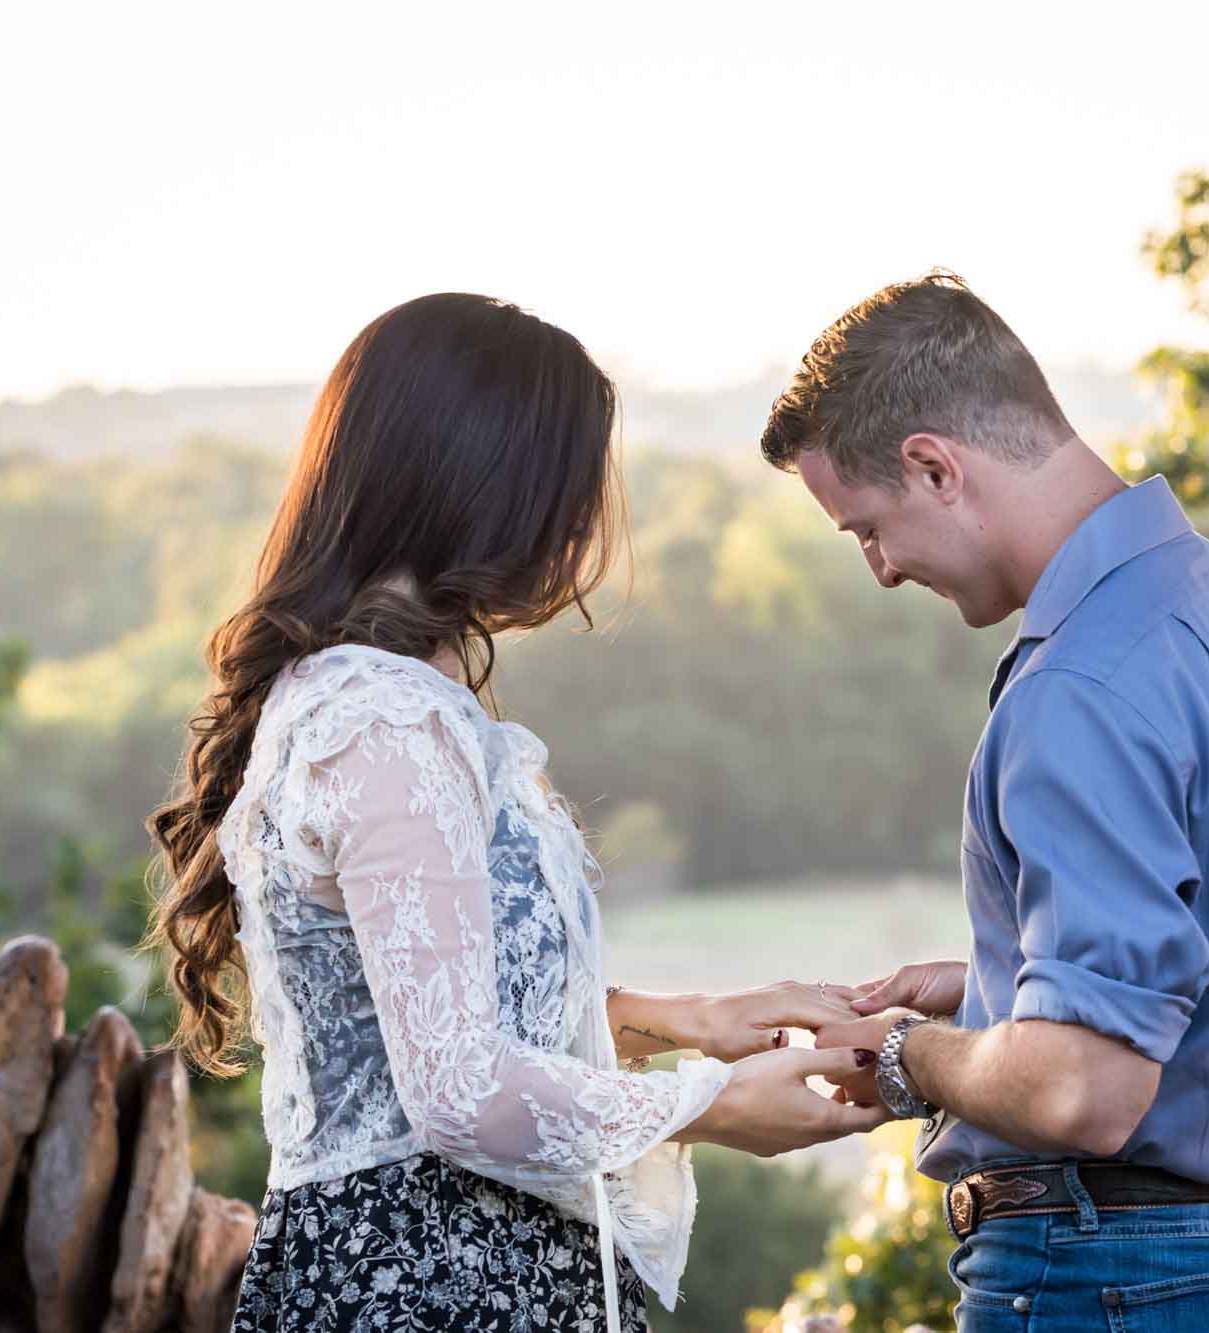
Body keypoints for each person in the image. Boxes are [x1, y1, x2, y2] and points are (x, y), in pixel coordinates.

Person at [145, 293, 887, 1333]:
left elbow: (441, 1001)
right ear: (485, 481)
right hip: (430, 1284)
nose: (582, 520)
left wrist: (684, 1021)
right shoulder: (385, 720)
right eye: (568, 484)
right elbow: (456, 1089)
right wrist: (712, 1105)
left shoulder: (377, 701)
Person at [766, 273, 1209, 1330]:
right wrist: (998, 990)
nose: (880, 570)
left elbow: (1078, 1091)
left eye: (864, 527)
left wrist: (908, 1052)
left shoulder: (1074, 685)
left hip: (1110, 1282)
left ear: (932, 465)